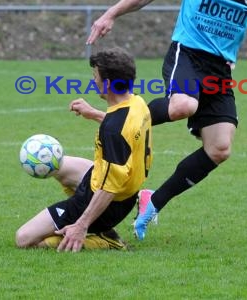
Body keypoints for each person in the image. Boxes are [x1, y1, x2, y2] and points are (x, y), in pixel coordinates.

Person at [87, 0, 247, 240]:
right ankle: (121, 118)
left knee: (220, 148)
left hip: (220, 68)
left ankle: (153, 202)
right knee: (183, 105)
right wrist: (111, 14)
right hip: (187, 54)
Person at [15, 48, 153, 252]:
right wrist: (94, 113)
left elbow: (109, 188)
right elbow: (125, 130)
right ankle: (90, 224)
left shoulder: (113, 130)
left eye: (95, 76)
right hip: (123, 188)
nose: (93, 81)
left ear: (107, 84)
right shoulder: (136, 103)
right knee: (58, 164)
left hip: (109, 202)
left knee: (24, 238)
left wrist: (82, 225)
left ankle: (105, 239)